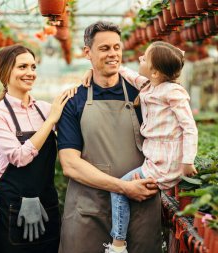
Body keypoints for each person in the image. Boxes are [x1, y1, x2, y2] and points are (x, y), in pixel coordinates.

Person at [83, 41, 199, 253]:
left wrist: (187, 161)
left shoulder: (173, 93)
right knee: (126, 188)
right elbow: (126, 72)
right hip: (155, 158)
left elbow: (190, 128)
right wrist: (93, 69)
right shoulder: (149, 86)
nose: (139, 59)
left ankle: (118, 244)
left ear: (154, 72)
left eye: (144, 58)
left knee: (119, 188)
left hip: (165, 162)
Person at [57, 21, 162, 253]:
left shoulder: (143, 97)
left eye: (117, 47)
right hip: (89, 209)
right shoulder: (74, 101)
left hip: (139, 206)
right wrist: (123, 187)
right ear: (88, 52)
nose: (113, 54)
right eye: (104, 48)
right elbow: (70, 165)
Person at [0, 44, 74, 253]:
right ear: (5, 72)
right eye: (22, 67)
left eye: (33, 67)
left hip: (46, 200)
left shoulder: (44, 108)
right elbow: (19, 157)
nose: (30, 73)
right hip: (13, 203)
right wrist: (51, 121)